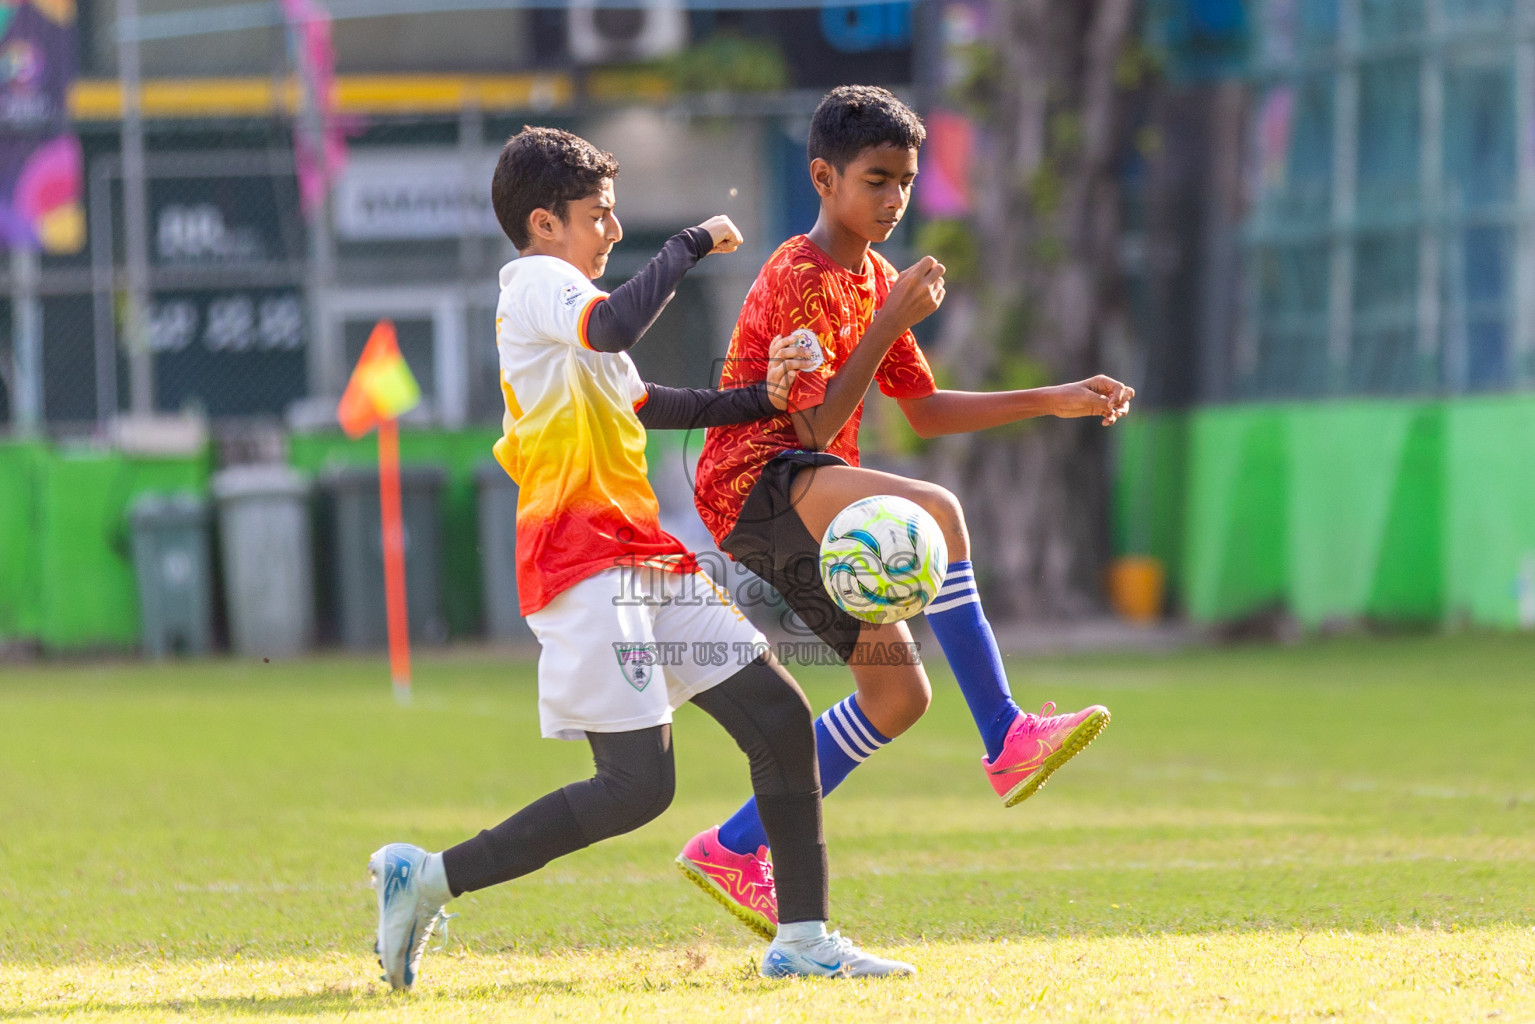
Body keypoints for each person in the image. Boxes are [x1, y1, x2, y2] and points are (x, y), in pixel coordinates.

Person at [368, 126, 915, 990]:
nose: (612, 231)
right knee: (634, 789)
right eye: (600, 215)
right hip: (582, 565)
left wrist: (762, 402)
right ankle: (429, 878)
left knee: (777, 717)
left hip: (644, 556)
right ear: (544, 224)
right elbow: (618, 320)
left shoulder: (570, 299)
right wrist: (692, 242)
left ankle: (803, 937)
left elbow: (649, 402)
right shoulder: (543, 284)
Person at [675, 87, 1135, 938]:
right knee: (938, 507)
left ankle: (731, 850)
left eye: (906, 182)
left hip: (794, 490)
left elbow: (920, 410)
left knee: (896, 697)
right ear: (823, 177)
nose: (894, 200)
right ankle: (1004, 735)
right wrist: (888, 322)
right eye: (876, 180)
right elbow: (808, 424)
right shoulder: (802, 275)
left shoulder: (876, 275)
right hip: (756, 476)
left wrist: (1056, 398)